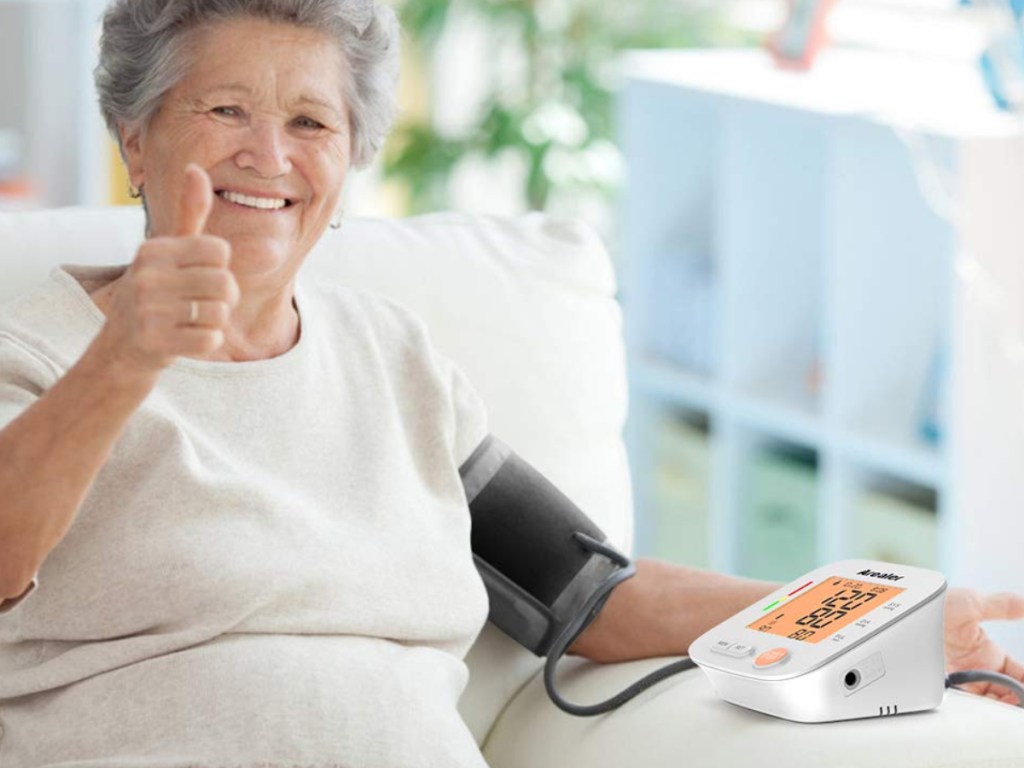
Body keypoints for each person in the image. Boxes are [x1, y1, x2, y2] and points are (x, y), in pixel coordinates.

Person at [0, 0, 1021, 765]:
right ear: (134, 137)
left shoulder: (389, 357)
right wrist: (125, 360)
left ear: (348, 159)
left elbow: (589, 595)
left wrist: (873, 619)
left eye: (312, 123)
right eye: (226, 109)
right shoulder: (39, 346)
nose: (269, 155)